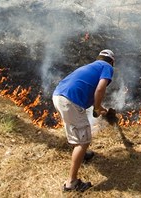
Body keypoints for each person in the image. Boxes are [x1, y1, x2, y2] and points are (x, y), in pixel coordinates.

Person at [52, 49, 115, 192]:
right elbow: (99, 90)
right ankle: (71, 183)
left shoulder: (91, 67)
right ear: (112, 61)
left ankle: (82, 154)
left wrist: (101, 109)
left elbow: (89, 93)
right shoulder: (107, 67)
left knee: (76, 129)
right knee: (84, 141)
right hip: (70, 101)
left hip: (58, 96)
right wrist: (98, 107)